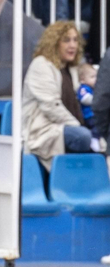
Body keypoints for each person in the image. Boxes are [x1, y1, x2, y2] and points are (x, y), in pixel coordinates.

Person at [24, 20, 100, 170]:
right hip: (45, 129)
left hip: (69, 125)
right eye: (66, 40)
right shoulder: (41, 65)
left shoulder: (72, 68)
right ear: (54, 43)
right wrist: (78, 126)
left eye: (75, 40)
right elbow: (51, 107)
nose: (73, 45)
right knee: (83, 136)